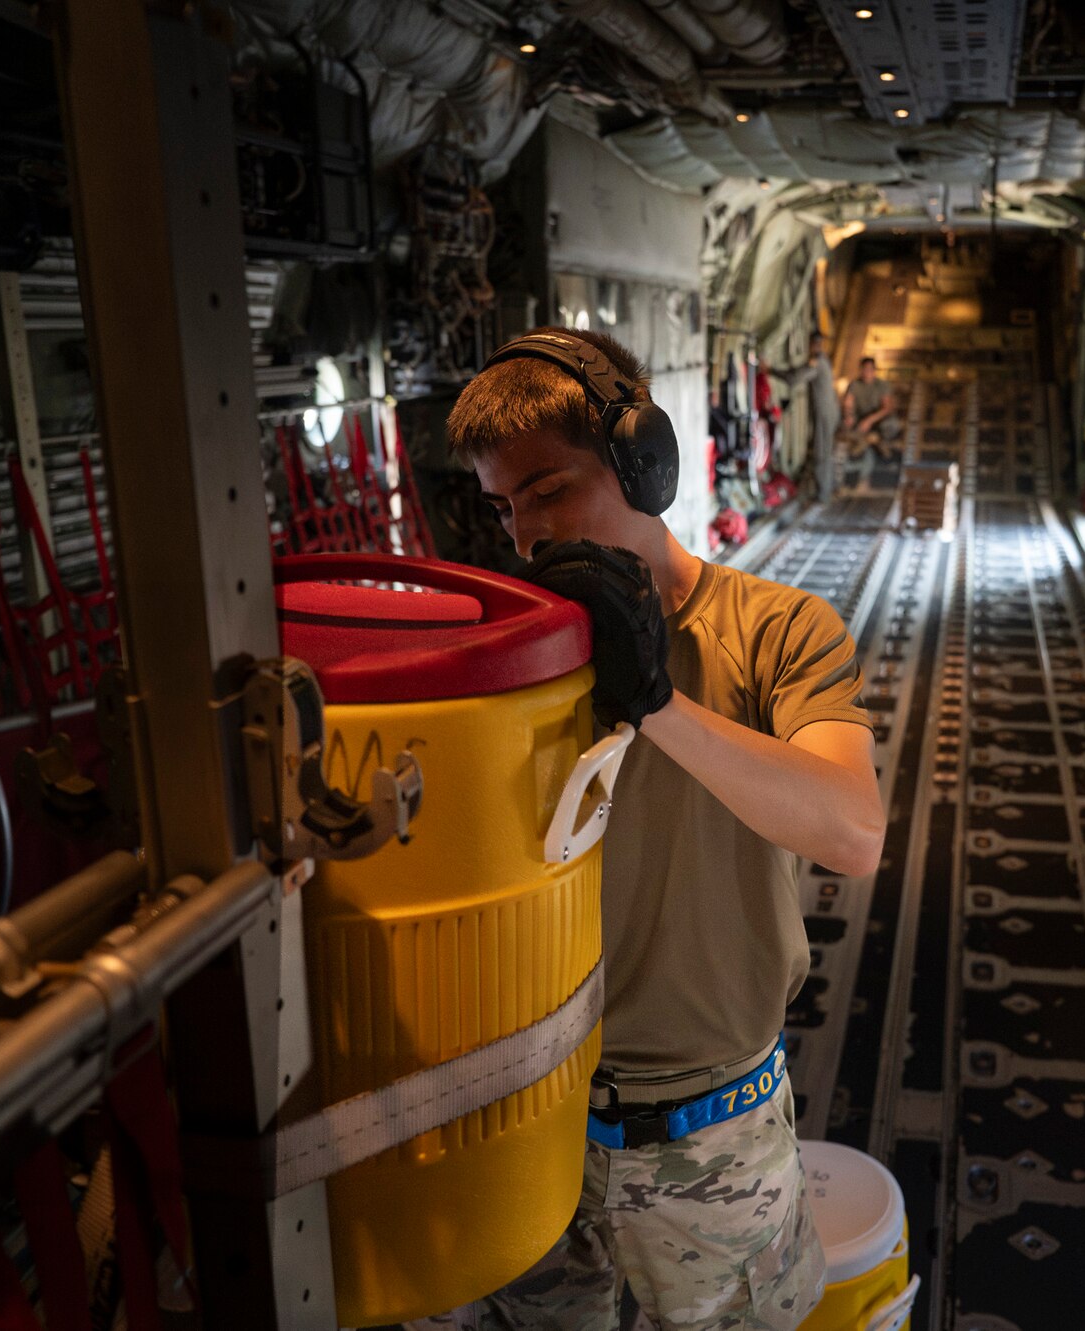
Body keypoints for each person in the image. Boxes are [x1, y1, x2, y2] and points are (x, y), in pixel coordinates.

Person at [445, 327, 885, 1331]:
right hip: (529, 1112)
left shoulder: (777, 629)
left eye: (548, 491)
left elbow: (850, 831)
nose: (524, 535)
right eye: (504, 507)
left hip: (707, 1131)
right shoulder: (515, 651)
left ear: (644, 465)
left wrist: (656, 703)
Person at [777, 332, 841, 504]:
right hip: (829, 412)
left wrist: (770, 370)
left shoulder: (818, 362)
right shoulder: (822, 361)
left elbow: (794, 378)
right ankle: (826, 489)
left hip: (824, 414)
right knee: (825, 452)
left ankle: (823, 494)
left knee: (822, 453)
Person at [840, 356, 901, 459]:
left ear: (874, 370)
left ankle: (878, 441)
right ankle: (867, 441)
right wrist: (848, 416)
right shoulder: (854, 385)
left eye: (870, 369)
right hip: (860, 419)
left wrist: (869, 421)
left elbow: (886, 408)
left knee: (891, 425)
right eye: (864, 369)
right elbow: (848, 404)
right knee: (843, 427)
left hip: (878, 420)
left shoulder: (882, 385)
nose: (867, 372)